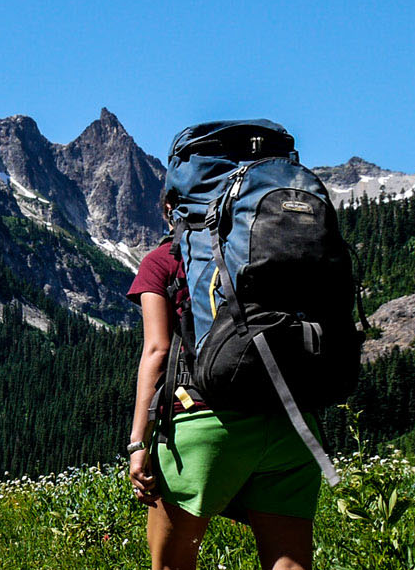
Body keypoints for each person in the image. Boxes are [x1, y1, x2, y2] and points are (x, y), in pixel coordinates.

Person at [126, 198, 320, 570]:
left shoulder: (163, 260)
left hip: (205, 423)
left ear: (170, 206)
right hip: (292, 425)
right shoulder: (277, 250)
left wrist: (138, 443)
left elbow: (157, 350)